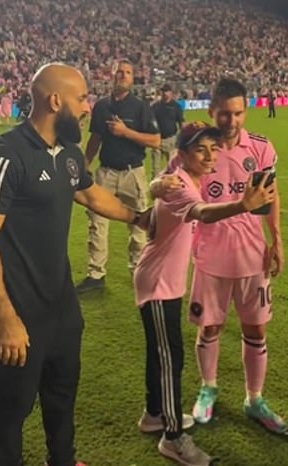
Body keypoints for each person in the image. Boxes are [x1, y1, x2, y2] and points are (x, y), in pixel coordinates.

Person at [0, 62, 151, 466]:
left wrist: (139, 218)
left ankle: (62, 460)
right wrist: (4, 315)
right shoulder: (5, 157)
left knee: (61, 393)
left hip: (60, 307)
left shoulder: (69, 154)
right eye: (81, 99)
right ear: (54, 100)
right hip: (17, 310)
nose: (87, 107)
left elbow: (92, 196)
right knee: (13, 406)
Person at [134, 121, 275, 466]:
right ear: (182, 155)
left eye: (214, 147)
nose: (211, 155)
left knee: (161, 353)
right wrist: (242, 205)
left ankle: (154, 415)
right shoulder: (182, 185)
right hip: (157, 283)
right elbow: (202, 213)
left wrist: (153, 191)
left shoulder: (183, 179)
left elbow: (152, 212)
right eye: (201, 149)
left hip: (163, 280)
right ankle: (173, 438)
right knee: (171, 359)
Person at [152, 78, 286, 435]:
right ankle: (208, 388)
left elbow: (270, 197)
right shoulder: (196, 148)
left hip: (252, 257)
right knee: (209, 327)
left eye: (238, 113)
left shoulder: (259, 147)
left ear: (246, 111)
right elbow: (165, 184)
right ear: (211, 112)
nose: (232, 121)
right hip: (209, 257)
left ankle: (254, 399)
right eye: (224, 113)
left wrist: (276, 240)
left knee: (256, 329)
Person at [76, 59, 160, 292]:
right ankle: (96, 274)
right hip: (106, 172)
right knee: (97, 222)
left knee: (139, 224)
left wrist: (126, 132)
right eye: (119, 72)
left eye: (128, 72)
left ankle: (138, 271)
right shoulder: (102, 106)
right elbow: (95, 139)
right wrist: (85, 163)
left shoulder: (141, 107)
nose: (123, 75)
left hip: (133, 172)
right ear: (111, 76)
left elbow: (155, 140)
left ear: (133, 78)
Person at [151, 83, 184, 178]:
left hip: (170, 140)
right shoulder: (155, 106)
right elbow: (150, 122)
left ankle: (171, 187)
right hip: (157, 139)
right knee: (155, 167)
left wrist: (182, 139)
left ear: (171, 93)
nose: (164, 93)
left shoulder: (176, 106)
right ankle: (155, 187)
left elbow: (181, 122)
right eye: (163, 91)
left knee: (172, 166)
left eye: (166, 91)